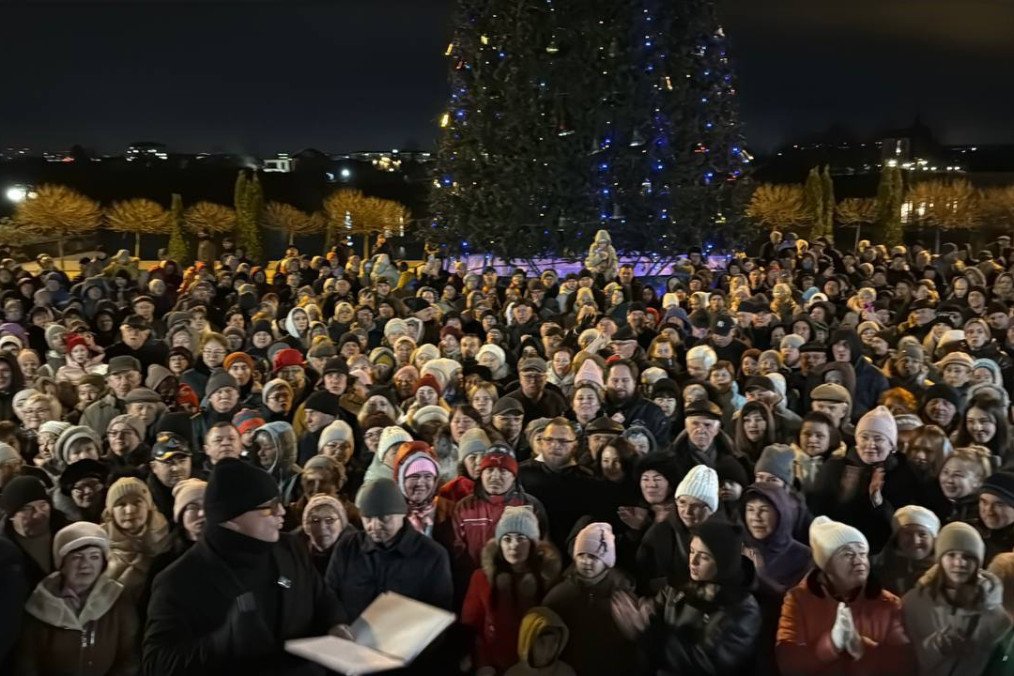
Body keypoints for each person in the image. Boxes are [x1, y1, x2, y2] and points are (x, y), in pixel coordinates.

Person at [143, 458, 345, 675]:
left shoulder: (290, 548)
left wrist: (335, 624)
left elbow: (321, 596)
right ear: (231, 518)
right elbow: (157, 665)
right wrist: (222, 641)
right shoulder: (179, 581)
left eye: (279, 502)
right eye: (269, 507)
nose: (281, 512)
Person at [612, 519, 762, 675]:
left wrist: (649, 635)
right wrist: (640, 616)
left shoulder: (743, 611)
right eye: (692, 551)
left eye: (704, 557)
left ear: (724, 563)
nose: (693, 562)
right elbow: (653, 611)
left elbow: (707, 664)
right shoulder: (680, 586)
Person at [776, 516, 915, 675]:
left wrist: (864, 649)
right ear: (827, 564)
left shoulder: (887, 603)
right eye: (848, 555)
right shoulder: (798, 600)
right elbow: (788, 663)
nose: (859, 561)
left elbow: (905, 665)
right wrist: (831, 643)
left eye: (862, 554)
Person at [15, 522, 138, 674]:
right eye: (77, 557)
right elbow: (27, 663)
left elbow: (129, 657)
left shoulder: (118, 599)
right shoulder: (40, 602)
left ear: (103, 564)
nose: (85, 564)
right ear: (62, 564)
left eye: (94, 557)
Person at [325, 478, 452, 619]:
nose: (374, 526)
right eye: (367, 518)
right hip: (351, 632)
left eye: (384, 518)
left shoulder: (432, 555)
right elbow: (329, 597)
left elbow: (439, 614)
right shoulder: (348, 547)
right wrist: (337, 624)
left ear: (403, 514)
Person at [462, 506, 562, 675]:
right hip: (494, 667)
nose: (513, 546)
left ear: (533, 543)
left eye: (521, 539)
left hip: (535, 667)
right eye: (507, 539)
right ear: (499, 543)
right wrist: (483, 664)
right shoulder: (482, 578)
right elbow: (471, 626)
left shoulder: (548, 578)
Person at [902, 521, 1011, 676]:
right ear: (940, 559)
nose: (959, 563)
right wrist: (936, 646)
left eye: (968, 557)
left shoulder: (995, 607)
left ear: (978, 562)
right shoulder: (914, 602)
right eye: (951, 555)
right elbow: (904, 658)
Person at [542, 522, 637, 676]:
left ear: (606, 561)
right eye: (581, 555)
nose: (586, 561)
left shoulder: (622, 592)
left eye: (593, 557)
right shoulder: (560, 594)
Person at [102, 477, 172, 599]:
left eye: (137, 502)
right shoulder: (99, 544)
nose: (130, 510)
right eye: (121, 504)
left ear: (148, 506)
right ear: (111, 511)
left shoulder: (168, 540)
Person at [874, 505, 941, 596]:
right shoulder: (879, 569)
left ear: (933, 539)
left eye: (922, 534)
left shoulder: (945, 573)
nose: (915, 541)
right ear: (897, 537)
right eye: (908, 534)